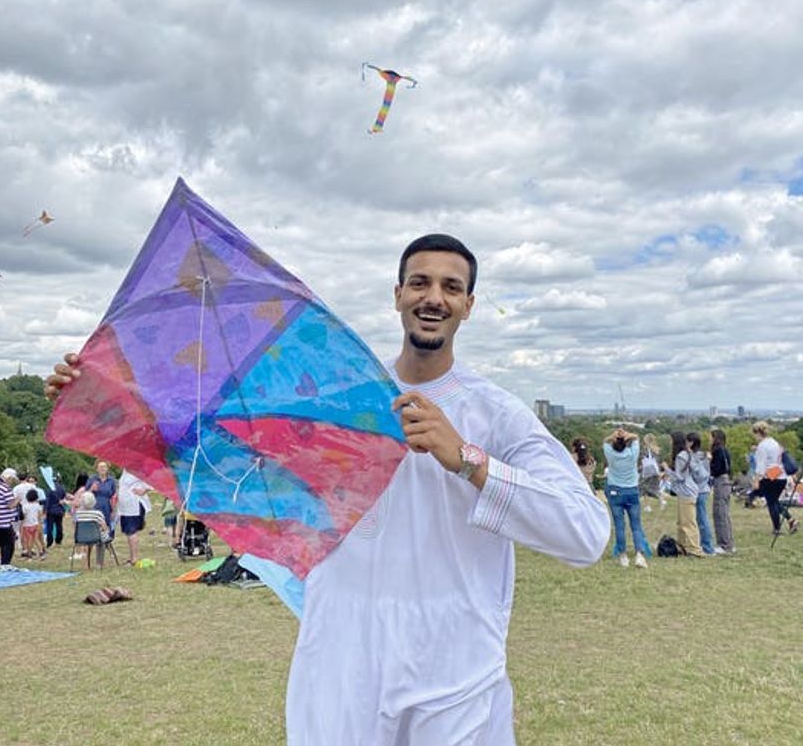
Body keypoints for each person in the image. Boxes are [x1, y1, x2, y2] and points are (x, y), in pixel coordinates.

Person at [46, 232, 610, 743]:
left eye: (451, 287)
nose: (433, 297)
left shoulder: (497, 414)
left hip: (454, 670)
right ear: (398, 296)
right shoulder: (334, 397)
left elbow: (585, 533)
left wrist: (467, 458)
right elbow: (208, 448)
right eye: (420, 282)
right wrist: (101, 397)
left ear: (468, 305)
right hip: (343, 660)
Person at [602, 428, 651, 568]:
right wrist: (626, 435)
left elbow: (605, 441)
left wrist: (614, 435)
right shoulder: (632, 453)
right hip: (631, 491)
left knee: (619, 525)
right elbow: (636, 438)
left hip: (615, 491)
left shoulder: (610, 454)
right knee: (636, 525)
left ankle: (623, 556)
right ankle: (639, 555)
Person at [751, 421, 797, 536]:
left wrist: (756, 480)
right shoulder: (774, 443)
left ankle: (777, 528)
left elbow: (761, 466)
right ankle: (790, 520)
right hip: (781, 476)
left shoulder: (762, 446)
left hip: (770, 477)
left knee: (771, 503)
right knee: (774, 501)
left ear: (758, 433)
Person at [662, 431, 703, 557]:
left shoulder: (681, 456)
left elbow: (680, 477)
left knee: (688, 522)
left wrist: (666, 469)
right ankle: (682, 545)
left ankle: (694, 549)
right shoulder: (687, 454)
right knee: (682, 522)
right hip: (687, 491)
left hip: (686, 492)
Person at [686, 433, 715, 556]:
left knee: (702, 519)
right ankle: (703, 544)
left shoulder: (695, 457)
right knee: (700, 518)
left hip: (699, 490)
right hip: (703, 489)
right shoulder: (704, 455)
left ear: (691, 443)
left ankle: (707, 547)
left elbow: (699, 474)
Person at [709, 429, 735, 554]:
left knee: (720, 514)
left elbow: (717, 469)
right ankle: (729, 542)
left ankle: (724, 544)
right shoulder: (725, 450)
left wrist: (709, 462)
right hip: (726, 481)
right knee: (724, 514)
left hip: (720, 481)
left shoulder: (718, 451)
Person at [87, 461, 117, 538]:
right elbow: (86, 495)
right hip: (94, 507)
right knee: (94, 528)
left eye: (104, 466)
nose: (102, 469)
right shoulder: (92, 479)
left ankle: (104, 543)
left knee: (106, 528)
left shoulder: (111, 480)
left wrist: (113, 511)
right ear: (97, 469)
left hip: (107, 507)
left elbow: (114, 496)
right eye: (100, 467)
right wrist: (91, 488)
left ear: (107, 468)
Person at [639, 434, 667, 511]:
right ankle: (661, 500)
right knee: (655, 488)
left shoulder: (644, 450)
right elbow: (661, 461)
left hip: (646, 472)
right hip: (655, 471)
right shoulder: (657, 450)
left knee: (644, 488)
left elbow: (642, 460)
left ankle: (647, 506)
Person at [20, 489, 44, 559]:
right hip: (35, 524)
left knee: (28, 540)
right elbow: (40, 515)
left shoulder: (25, 506)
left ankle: (29, 554)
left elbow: (23, 516)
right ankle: (41, 552)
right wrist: (40, 524)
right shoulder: (38, 505)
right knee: (36, 539)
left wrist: (21, 524)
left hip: (27, 525)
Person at [45, 474, 67, 548]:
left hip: (51, 510)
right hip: (59, 509)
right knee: (59, 525)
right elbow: (63, 497)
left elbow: (47, 500)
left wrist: (45, 510)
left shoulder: (49, 488)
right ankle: (58, 540)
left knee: (50, 527)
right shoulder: (62, 487)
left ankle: (49, 541)